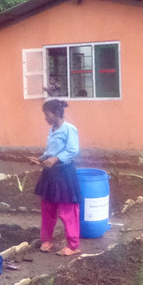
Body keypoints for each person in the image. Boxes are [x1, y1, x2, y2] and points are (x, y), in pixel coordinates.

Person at [28, 98, 81, 256]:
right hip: (50, 174)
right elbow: (50, 151)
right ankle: (46, 240)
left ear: (56, 113)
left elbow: (73, 150)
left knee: (67, 210)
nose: (45, 118)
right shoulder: (52, 130)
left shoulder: (69, 129)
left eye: (47, 114)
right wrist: (40, 159)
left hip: (64, 173)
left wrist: (56, 159)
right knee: (48, 208)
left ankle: (73, 245)